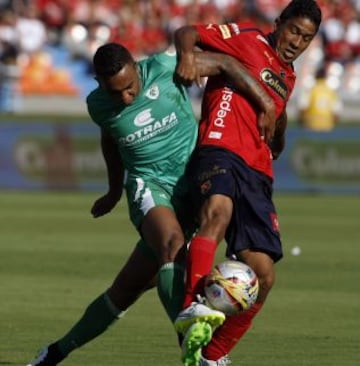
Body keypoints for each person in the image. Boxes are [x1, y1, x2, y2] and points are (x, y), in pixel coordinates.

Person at [26, 42, 276, 366]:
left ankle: (53, 354)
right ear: (101, 85)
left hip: (196, 178)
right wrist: (115, 190)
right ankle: (198, 350)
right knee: (173, 245)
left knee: (124, 290)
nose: (126, 98)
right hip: (150, 185)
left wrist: (266, 104)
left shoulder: (166, 66)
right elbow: (111, 139)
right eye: (116, 93)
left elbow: (228, 64)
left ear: (136, 65)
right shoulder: (97, 105)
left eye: (130, 88)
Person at [172, 1, 322, 365]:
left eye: (306, 38)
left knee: (265, 276)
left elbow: (277, 116)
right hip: (219, 150)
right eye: (293, 31)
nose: (297, 42)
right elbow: (186, 33)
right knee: (217, 214)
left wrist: (278, 134)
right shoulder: (247, 38)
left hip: (257, 174)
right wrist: (185, 58)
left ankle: (213, 355)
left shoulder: (289, 77)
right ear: (278, 23)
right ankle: (193, 306)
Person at [298, 67, 342, 131]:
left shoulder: (310, 90)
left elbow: (302, 109)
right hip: (327, 126)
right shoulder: (331, 92)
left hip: (311, 125)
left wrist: (301, 123)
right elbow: (336, 114)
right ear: (326, 77)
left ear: (315, 77)